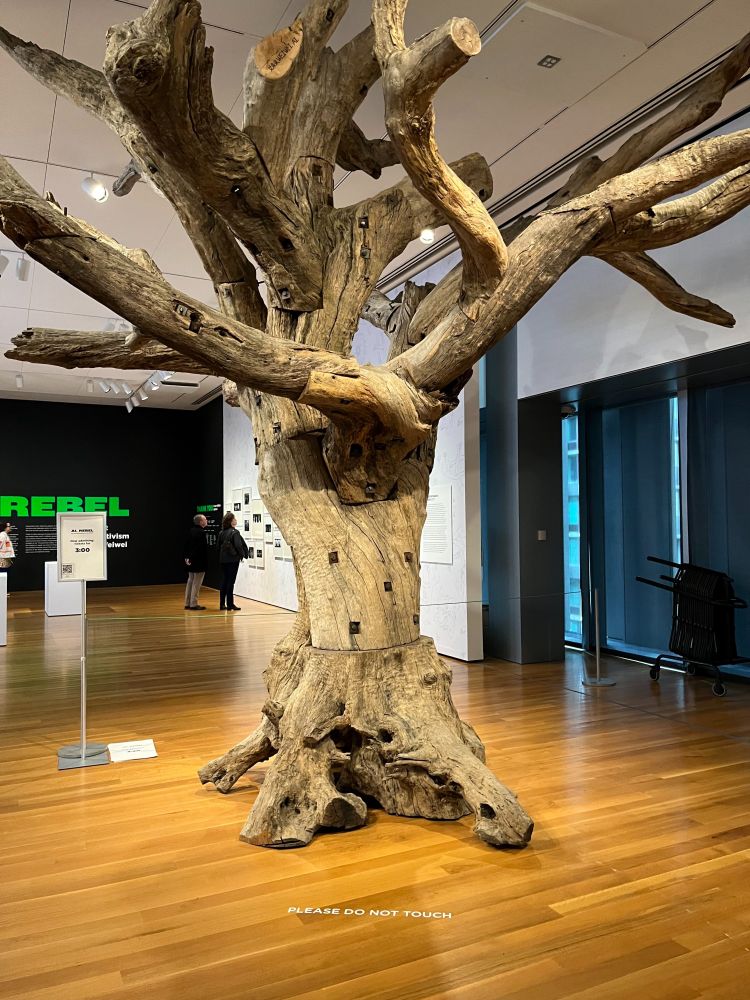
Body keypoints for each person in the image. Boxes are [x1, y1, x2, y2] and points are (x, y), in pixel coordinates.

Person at [218, 511, 248, 611]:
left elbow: (218, 546)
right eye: (234, 518)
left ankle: (222, 604)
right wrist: (242, 555)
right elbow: (239, 546)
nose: (236, 520)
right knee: (231, 582)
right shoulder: (235, 532)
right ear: (231, 521)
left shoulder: (221, 532)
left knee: (224, 581)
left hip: (223, 560)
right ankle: (230, 604)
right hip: (232, 560)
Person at [184, 513, 208, 610]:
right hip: (198, 561)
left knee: (190, 581)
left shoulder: (191, 531)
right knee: (196, 583)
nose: (206, 521)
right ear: (201, 522)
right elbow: (199, 549)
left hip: (190, 561)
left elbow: (187, 545)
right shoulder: (201, 533)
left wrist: (187, 557)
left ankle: (187, 602)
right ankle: (193, 603)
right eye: (205, 519)